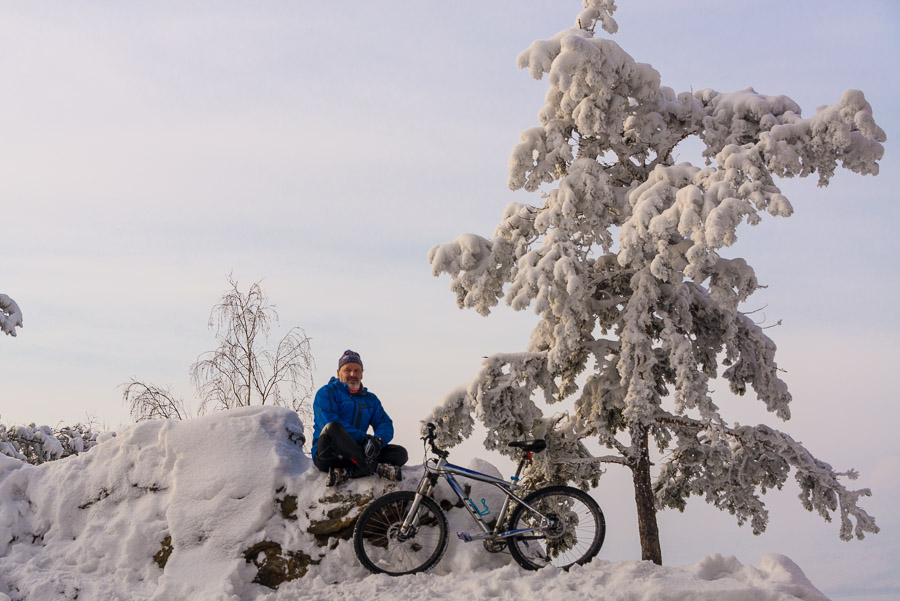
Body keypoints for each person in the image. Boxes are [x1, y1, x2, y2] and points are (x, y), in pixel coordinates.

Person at [311, 349, 408, 486]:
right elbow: (328, 422)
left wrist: (378, 441)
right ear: (338, 373)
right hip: (330, 453)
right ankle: (374, 468)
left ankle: (348, 472)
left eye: (357, 370)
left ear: (362, 374)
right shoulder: (327, 392)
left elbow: (385, 423)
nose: (352, 374)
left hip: (357, 452)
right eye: (347, 370)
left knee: (400, 453)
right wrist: (364, 439)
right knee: (333, 427)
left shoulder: (370, 399)